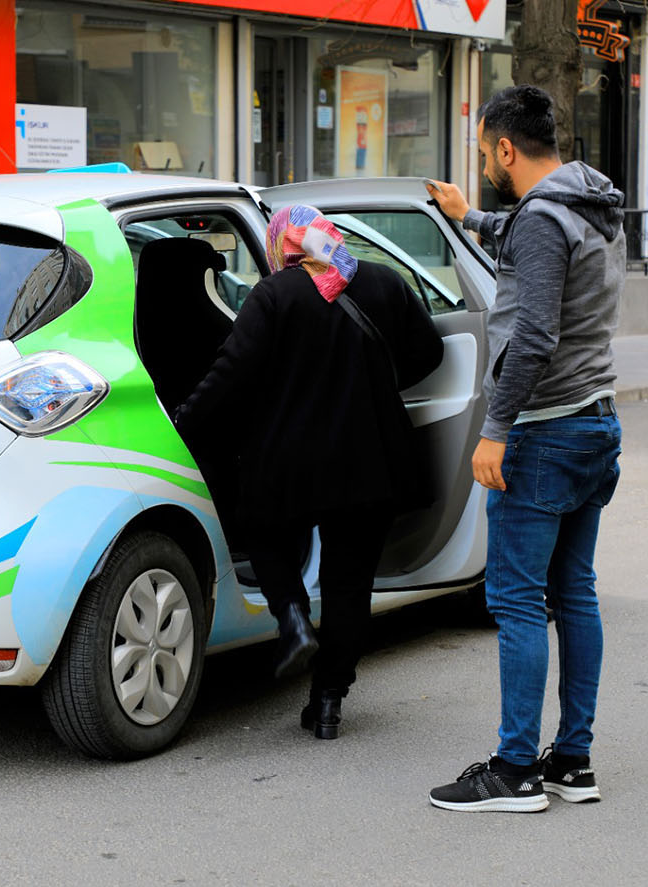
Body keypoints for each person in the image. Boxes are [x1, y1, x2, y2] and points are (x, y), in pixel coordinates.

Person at [173, 204, 443, 739]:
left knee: (263, 531)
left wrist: (184, 417)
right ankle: (327, 702)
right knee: (350, 584)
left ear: (282, 245)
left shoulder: (274, 295)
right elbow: (430, 352)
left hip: (291, 459)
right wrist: (377, 384)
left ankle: (293, 617)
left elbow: (231, 370)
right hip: (371, 461)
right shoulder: (385, 283)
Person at [426, 84, 624, 812]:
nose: (487, 164)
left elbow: (534, 333)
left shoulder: (543, 221)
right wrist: (465, 216)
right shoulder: (590, 205)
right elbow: (528, 242)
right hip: (596, 422)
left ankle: (513, 771)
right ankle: (572, 760)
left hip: (544, 432)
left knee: (515, 600)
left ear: (507, 148)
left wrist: (495, 430)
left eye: (485, 156)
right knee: (574, 592)